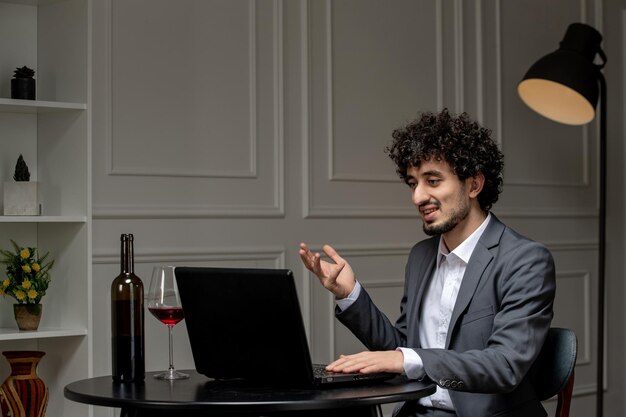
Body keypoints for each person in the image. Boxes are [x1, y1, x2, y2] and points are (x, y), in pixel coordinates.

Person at [299, 108, 556, 417]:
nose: (417, 196)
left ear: (474, 185)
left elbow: (503, 366)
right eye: (412, 183)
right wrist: (349, 293)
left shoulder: (525, 260)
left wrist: (407, 359)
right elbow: (405, 346)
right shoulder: (421, 255)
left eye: (432, 181)